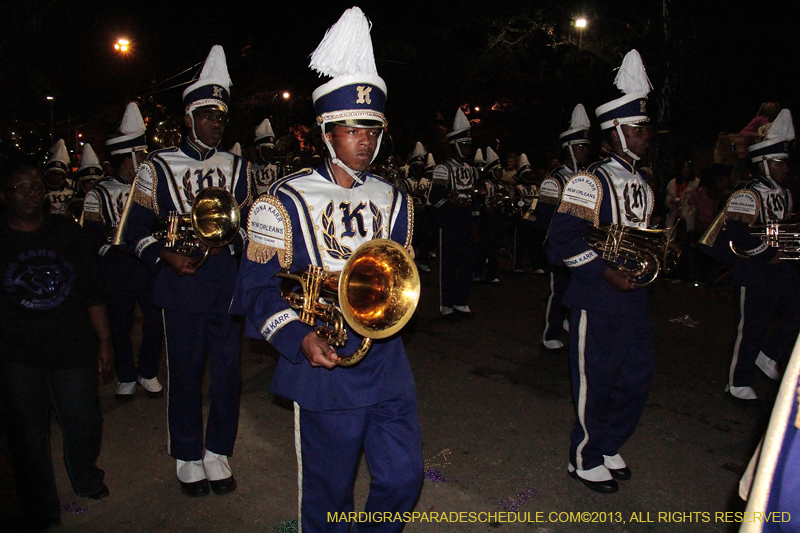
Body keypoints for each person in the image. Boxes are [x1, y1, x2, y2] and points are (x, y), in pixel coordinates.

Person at [234, 8, 422, 531]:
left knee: (404, 477)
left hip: (387, 363)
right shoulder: (281, 200)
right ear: (326, 130)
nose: (366, 140)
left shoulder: (395, 198)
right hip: (325, 362)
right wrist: (299, 339)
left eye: (373, 128)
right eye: (353, 129)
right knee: (329, 496)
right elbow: (254, 290)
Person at [121, 45, 252, 497]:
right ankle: (187, 453)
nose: (217, 123)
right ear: (190, 118)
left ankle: (219, 449)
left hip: (224, 283)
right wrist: (164, 256)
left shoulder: (239, 168)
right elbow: (132, 231)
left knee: (229, 371)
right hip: (179, 282)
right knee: (186, 369)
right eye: (209, 115)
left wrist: (233, 244)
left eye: (222, 116)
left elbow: (250, 227)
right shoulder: (157, 167)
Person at [547, 50, 656, 493]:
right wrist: (605, 272)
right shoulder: (588, 181)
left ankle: (610, 442)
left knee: (636, 376)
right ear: (615, 132)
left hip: (636, 296)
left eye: (646, 127)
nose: (644, 135)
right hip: (599, 295)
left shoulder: (643, 180)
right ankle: (585, 455)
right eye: (636, 127)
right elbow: (560, 241)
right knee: (597, 378)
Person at [0, 162, 114, 531]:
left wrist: (105, 342)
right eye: (22, 187)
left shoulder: (67, 232)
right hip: (18, 356)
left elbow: (93, 291)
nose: (32, 193)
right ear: (5, 195)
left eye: (36, 186)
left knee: (83, 421)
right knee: (29, 434)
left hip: (71, 348)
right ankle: (41, 504)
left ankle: (84, 476)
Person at [700, 109, 800, 400]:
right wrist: (768, 255)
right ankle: (737, 381)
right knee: (751, 327)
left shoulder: (786, 194)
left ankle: (769, 354)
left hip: (781, 268)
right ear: (765, 163)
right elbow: (738, 237)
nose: (785, 168)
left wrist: (790, 251)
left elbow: (784, 228)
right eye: (780, 163)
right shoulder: (747, 195)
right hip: (754, 270)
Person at [83, 102, 164, 400]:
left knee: (155, 320)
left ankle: (147, 371)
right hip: (117, 267)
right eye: (140, 155)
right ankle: (126, 375)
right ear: (127, 157)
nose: (143, 160)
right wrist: (112, 250)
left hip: (146, 263)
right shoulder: (99, 191)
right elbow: (91, 235)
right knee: (120, 323)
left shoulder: (150, 188)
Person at [535, 103, 593, 350]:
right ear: (569, 148)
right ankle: (550, 333)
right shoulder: (555, 178)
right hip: (560, 244)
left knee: (578, 288)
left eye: (586, 147)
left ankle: (570, 321)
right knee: (558, 290)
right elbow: (543, 217)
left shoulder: (589, 176)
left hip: (582, 242)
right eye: (579, 147)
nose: (584, 152)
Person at [430, 108, 480, 318]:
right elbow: (434, 198)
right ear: (455, 145)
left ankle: (461, 300)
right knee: (448, 264)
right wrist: (453, 207)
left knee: (468, 262)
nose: (468, 148)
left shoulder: (472, 169)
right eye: (464, 144)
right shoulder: (443, 169)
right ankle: (447, 302)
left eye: (469, 144)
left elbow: (476, 197)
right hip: (450, 222)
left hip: (467, 221)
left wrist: (475, 219)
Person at [42, 139, 75, 216]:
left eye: (60, 174)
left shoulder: (72, 190)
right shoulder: (39, 192)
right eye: (53, 173)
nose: (57, 176)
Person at [665, 159, 700, 231]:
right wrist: (672, 201)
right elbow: (667, 200)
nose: (686, 170)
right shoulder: (672, 183)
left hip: (689, 216)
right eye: (684, 167)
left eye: (688, 167)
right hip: (674, 216)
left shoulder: (696, 183)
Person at [252, 118, 284, 196]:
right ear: (259, 150)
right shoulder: (250, 170)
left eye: (271, 150)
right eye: (267, 150)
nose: (270, 153)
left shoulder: (278, 169)